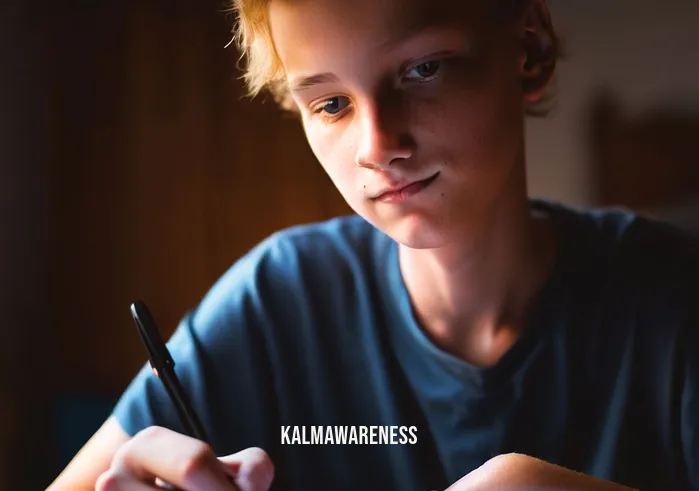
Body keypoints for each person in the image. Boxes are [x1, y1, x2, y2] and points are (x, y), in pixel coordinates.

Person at [48, 0, 699, 489]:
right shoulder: (276, 303)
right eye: (331, 104)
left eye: (421, 69)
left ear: (526, 51)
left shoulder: (675, 301)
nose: (376, 145)